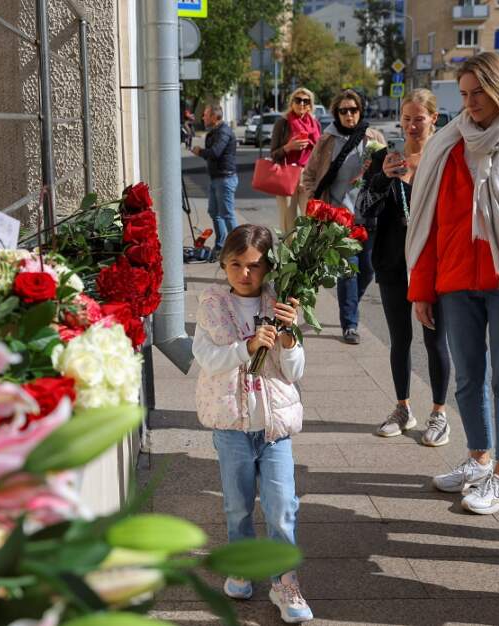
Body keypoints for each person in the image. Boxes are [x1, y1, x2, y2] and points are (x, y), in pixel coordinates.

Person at [405, 52, 499, 515]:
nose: (472, 102)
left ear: (498, 88)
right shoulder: (447, 144)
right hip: (455, 280)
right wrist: (421, 288)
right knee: (469, 378)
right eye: (464, 93)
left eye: (479, 92)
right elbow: (427, 222)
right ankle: (479, 459)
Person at [192, 224, 313, 624]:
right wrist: (245, 347)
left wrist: (289, 338)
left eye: (255, 266)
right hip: (232, 425)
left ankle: (285, 580)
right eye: (236, 264)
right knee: (238, 505)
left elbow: (294, 371)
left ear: (269, 267)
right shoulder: (211, 303)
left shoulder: (280, 303)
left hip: (275, 426)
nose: (245, 274)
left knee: (282, 507)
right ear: (224, 264)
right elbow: (207, 358)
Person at [360, 89, 452, 446]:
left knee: (435, 339)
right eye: (407, 118)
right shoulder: (385, 157)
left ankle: (439, 413)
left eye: (419, 118)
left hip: (436, 262)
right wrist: (382, 179)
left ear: (433, 117)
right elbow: (363, 209)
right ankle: (403, 408)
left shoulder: (444, 157)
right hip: (393, 261)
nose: (412, 125)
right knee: (399, 339)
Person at [301, 89, 386, 345]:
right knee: (348, 272)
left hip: (369, 217)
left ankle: (351, 306)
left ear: (360, 111)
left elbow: (387, 175)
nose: (349, 115)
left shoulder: (374, 138)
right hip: (340, 219)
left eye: (353, 110)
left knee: (368, 270)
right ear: (336, 113)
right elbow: (309, 174)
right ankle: (350, 324)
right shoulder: (327, 140)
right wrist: (315, 201)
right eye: (343, 111)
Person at [269, 88, 322, 234]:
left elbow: (320, 153)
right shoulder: (283, 123)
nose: (302, 104)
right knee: (288, 221)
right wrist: (288, 147)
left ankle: (306, 255)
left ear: (311, 105)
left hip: (309, 176)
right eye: (298, 100)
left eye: (306, 101)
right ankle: (288, 255)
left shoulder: (316, 124)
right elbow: (273, 154)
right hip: (287, 173)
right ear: (292, 103)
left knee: (310, 219)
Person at [192, 104, 238, 258]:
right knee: (214, 212)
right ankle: (220, 246)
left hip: (225, 178)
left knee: (227, 214)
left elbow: (216, 152)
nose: (203, 117)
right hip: (216, 178)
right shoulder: (214, 132)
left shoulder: (223, 131)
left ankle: (239, 248)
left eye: (205, 114)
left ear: (214, 117)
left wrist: (200, 152)